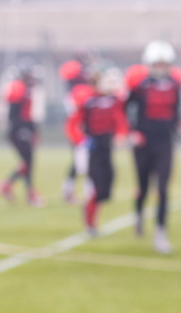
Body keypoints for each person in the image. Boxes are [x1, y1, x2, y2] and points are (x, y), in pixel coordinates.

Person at [125, 40, 181, 254]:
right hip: (143, 142)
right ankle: (139, 215)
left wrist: (179, 125)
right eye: (157, 63)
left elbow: (177, 111)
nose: (160, 67)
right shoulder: (140, 85)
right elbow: (124, 109)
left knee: (162, 189)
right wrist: (131, 132)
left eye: (164, 63)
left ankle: (161, 232)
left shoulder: (175, 85)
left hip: (165, 141)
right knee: (142, 186)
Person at [66, 68, 129, 236]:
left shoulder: (113, 100)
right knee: (93, 186)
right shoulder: (86, 100)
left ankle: (91, 218)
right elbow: (72, 124)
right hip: (90, 148)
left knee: (106, 186)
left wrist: (120, 135)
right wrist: (82, 140)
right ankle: (90, 224)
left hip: (106, 147)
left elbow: (120, 119)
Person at [0, 58, 45, 207]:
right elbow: (15, 114)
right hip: (18, 130)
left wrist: (34, 130)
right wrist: (24, 130)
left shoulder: (26, 89)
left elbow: (28, 114)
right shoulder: (17, 87)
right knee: (28, 162)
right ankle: (29, 193)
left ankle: (7, 185)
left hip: (23, 128)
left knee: (26, 162)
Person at [59, 51, 95, 205]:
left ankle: (69, 188)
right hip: (76, 122)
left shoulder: (86, 80)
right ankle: (78, 189)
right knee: (82, 159)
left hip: (84, 118)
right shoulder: (73, 71)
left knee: (80, 159)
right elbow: (68, 74)